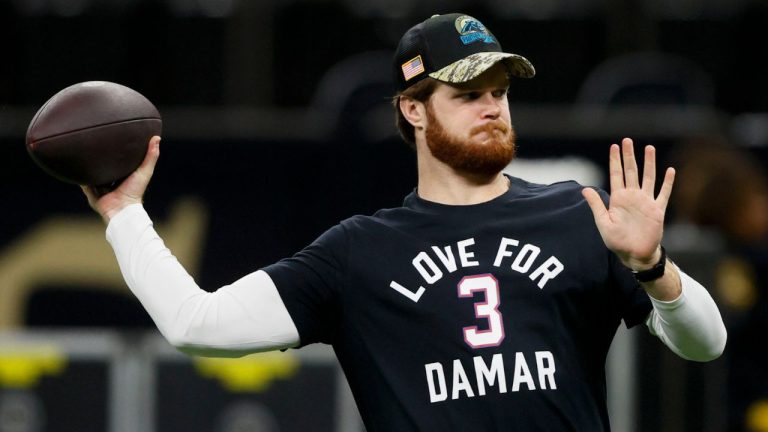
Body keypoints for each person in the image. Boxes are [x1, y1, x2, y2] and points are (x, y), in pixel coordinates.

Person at [82, 13, 727, 431]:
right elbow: (198, 325)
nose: (493, 108)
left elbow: (706, 344)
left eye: (500, 92)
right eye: (469, 94)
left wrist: (655, 268)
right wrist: (122, 213)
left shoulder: (578, 213)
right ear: (414, 111)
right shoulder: (360, 252)